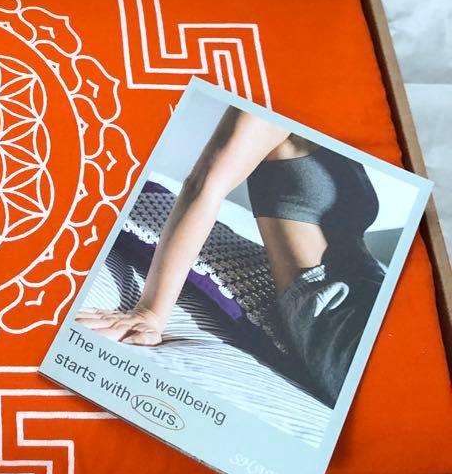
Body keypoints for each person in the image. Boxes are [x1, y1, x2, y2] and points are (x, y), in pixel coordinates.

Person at [76, 107, 385, 405]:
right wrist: (151, 312)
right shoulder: (273, 106)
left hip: (374, 285)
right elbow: (203, 186)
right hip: (330, 303)